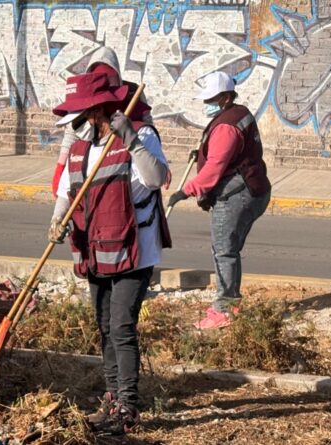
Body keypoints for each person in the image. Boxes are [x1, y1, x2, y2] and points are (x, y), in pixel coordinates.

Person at [50, 72, 171, 435]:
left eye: (83, 115)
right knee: (104, 327)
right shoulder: (79, 147)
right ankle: (112, 396)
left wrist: (131, 139)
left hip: (133, 250)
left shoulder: (140, 135)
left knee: (121, 327)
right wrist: (57, 220)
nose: (79, 122)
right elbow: (65, 193)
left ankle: (127, 407)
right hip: (95, 248)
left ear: (97, 111)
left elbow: (155, 178)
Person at [167, 71, 271, 330]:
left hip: (237, 194)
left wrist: (187, 191)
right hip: (255, 188)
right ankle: (229, 303)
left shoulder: (225, 126)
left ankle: (225, 308)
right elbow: (226, 153)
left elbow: (214, 168)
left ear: (225, 97)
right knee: (229, 249)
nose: (207, 104)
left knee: (224, 251)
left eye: (211, 99)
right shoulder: (240, 112)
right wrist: (203, 150)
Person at [52, 47, 158, 196]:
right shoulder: (85, 94)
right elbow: (72, 132)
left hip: (126, 157)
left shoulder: (133, 93)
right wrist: (60, 168)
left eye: (110, 80)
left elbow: (148, 125)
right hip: (93, 155)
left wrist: (154, 156)